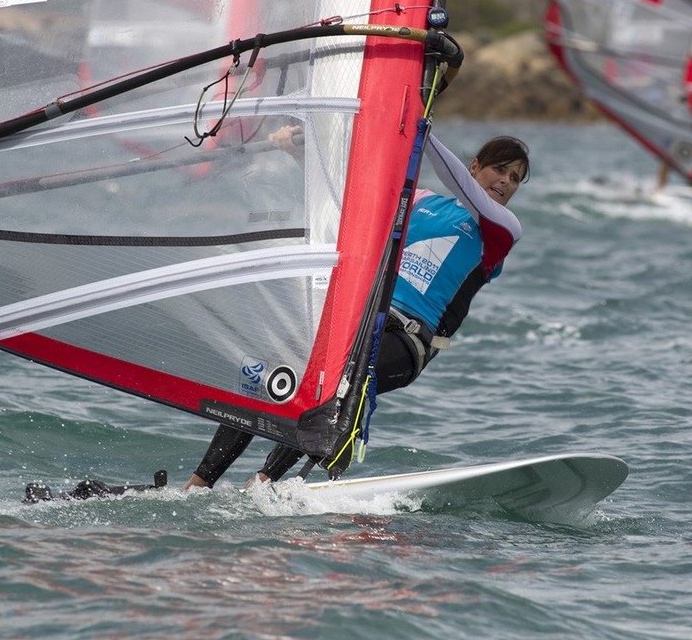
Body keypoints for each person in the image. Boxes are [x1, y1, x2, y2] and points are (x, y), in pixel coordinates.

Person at [184, 126, 529, 489]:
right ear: (476, 166)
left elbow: (455, 178)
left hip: (406, 341)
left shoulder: (501, 232)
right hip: (359, 319)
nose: (506, 181)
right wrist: (301, 152)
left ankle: (264, 483)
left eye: (515, 178)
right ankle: (199, 483)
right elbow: (351, 192)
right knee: (273, 367)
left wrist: (421, 131)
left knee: (343, 378)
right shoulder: (420, 201)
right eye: (500, 169)